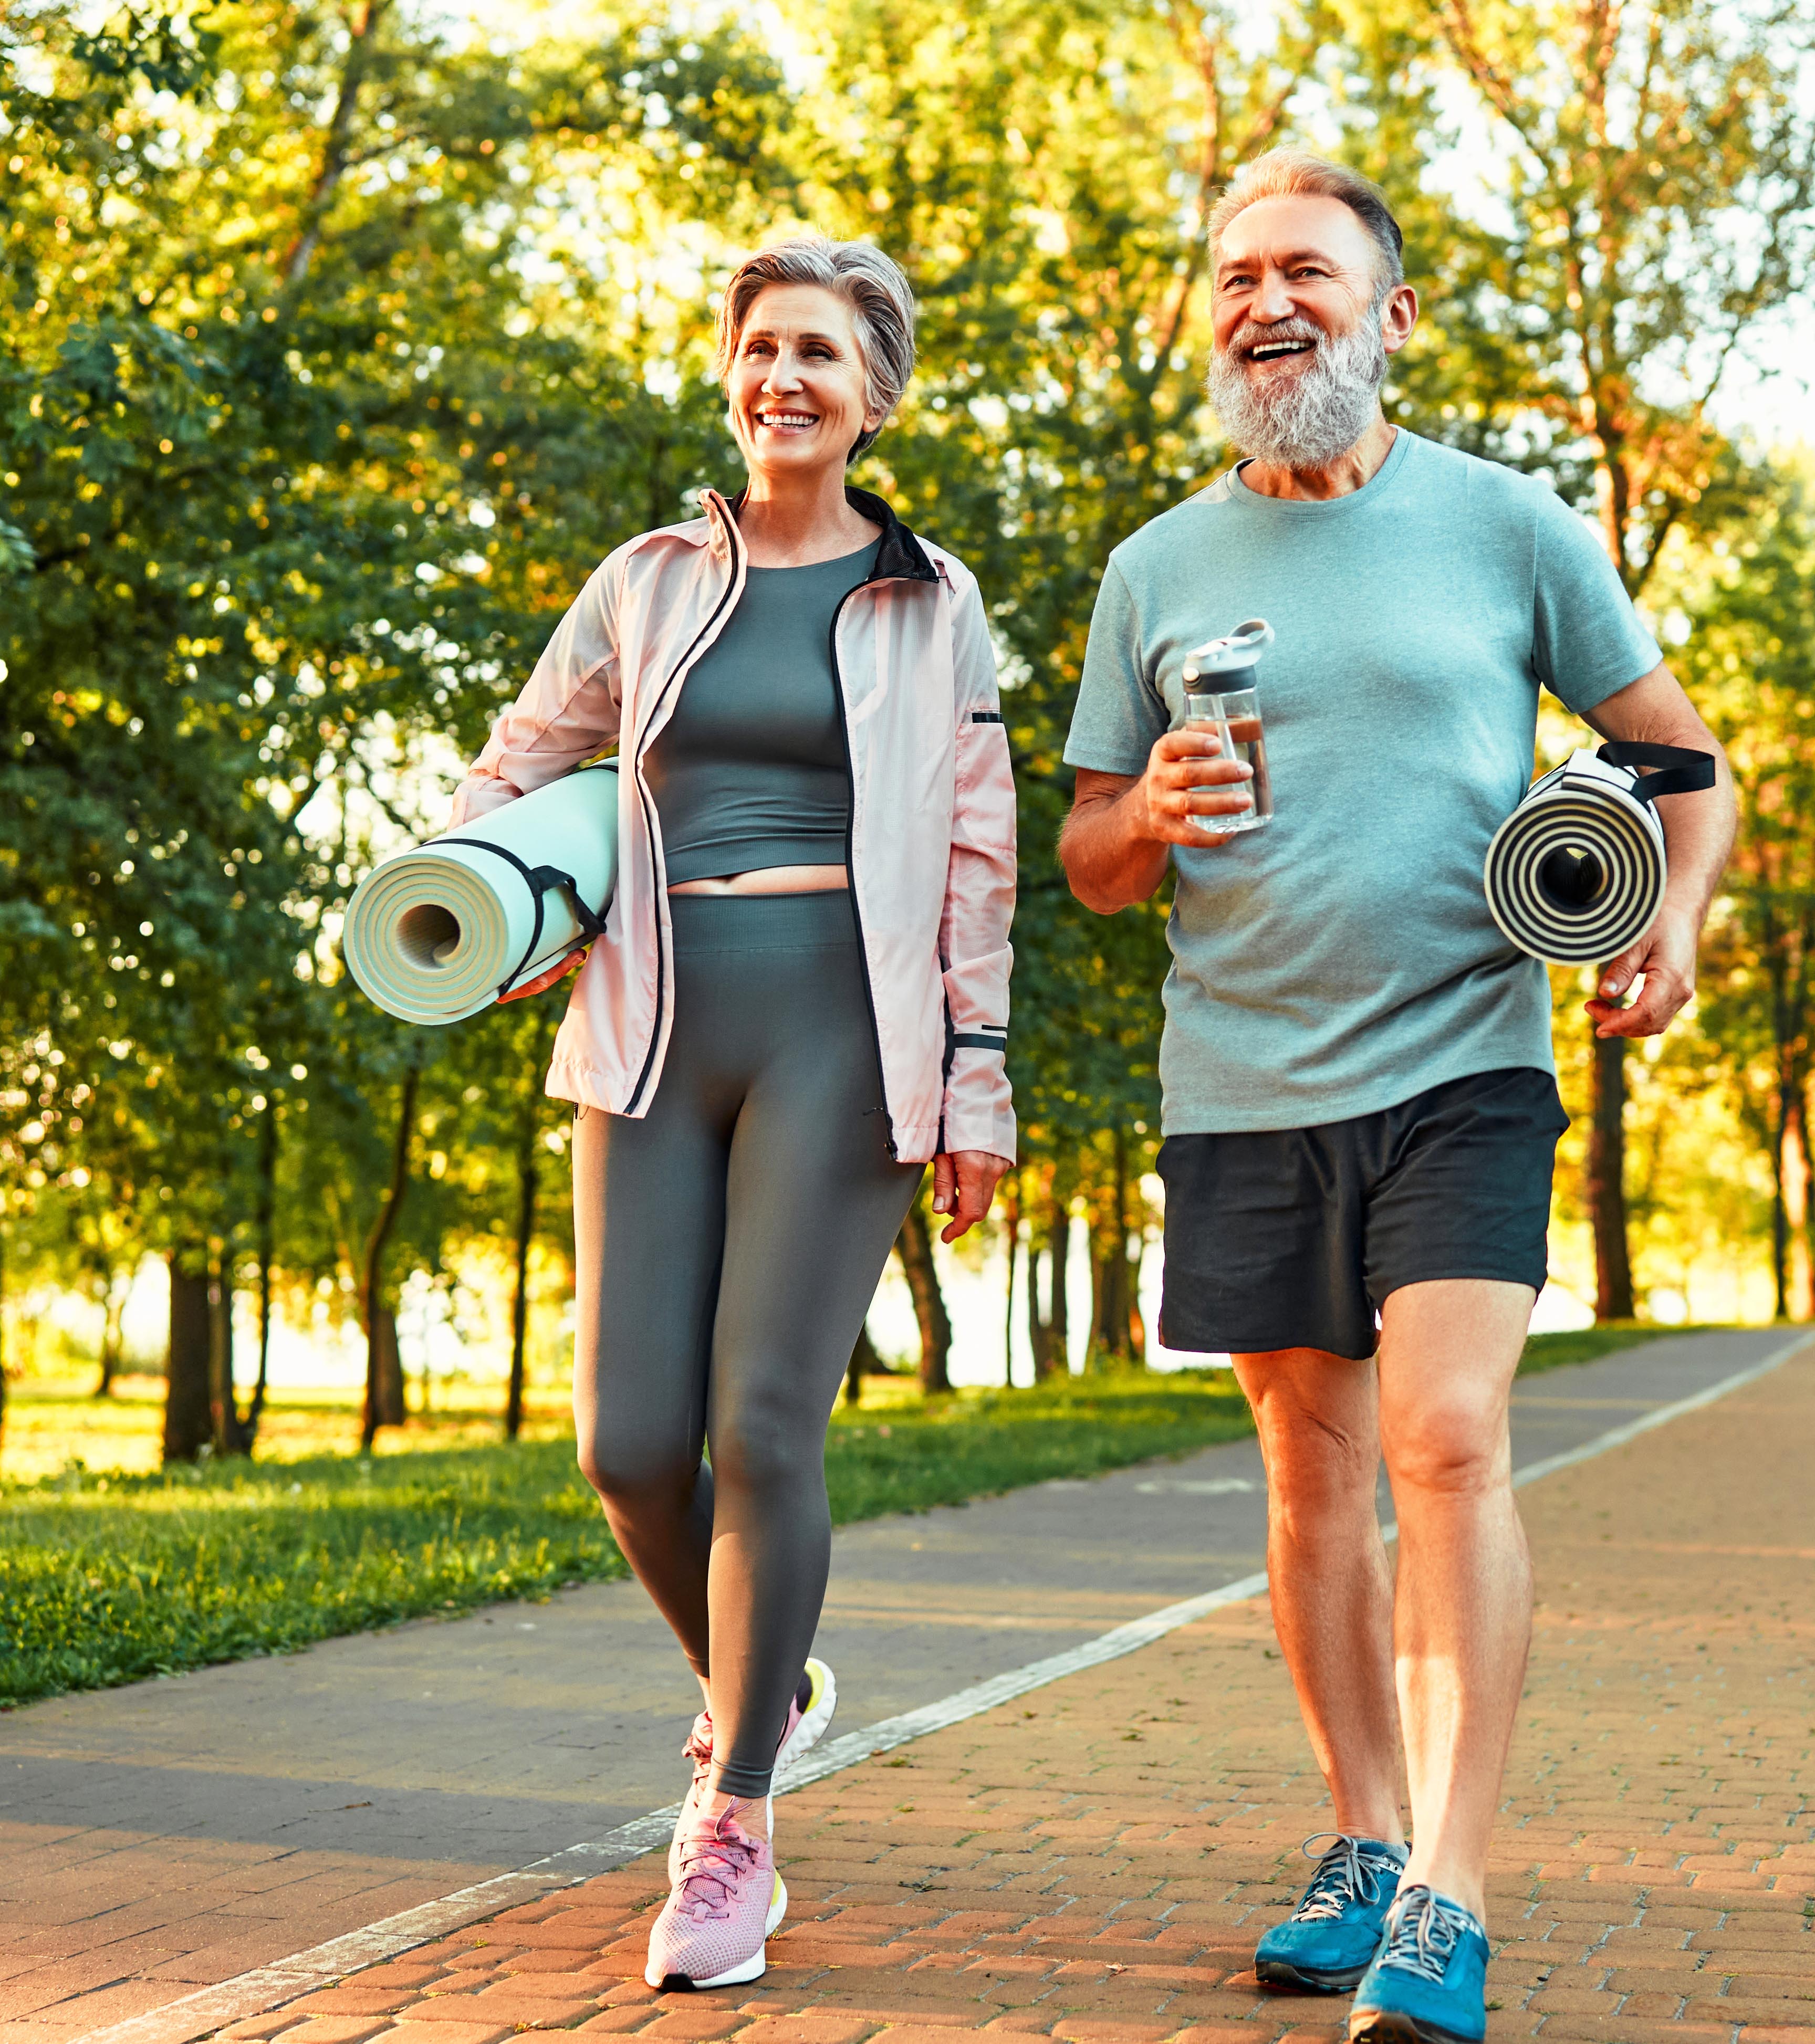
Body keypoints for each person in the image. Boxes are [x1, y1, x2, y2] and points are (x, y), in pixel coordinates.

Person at [1057, 150, 1736, 2044]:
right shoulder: (1153, 569)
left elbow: (1679, 761)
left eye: (1306, 273)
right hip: (1242, 1075)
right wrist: (1141, 818)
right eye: (1232, 277)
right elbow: (1090, 857)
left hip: (1464, 1060)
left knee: (1442, 1440)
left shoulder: (1510, 527)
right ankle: (1360, 1840)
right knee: (1310, 1471)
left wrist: (1669, 924)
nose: (1264, 303)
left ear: (1391, 313)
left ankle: (1454, 1883)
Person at [449, 237, 1017, 1995]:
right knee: (626, 1445)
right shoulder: (644, 581)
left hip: (846, 1033)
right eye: (763, 347)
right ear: (730, 375)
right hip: (650, 1028)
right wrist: (488, 895)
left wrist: (979, 1078)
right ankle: (763, 1679)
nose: (788, 377)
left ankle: (736, 1826)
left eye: (823, 355)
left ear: (875, 395)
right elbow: (519, 760)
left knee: (766, 1429)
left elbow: (983, 849)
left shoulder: (933, 598)